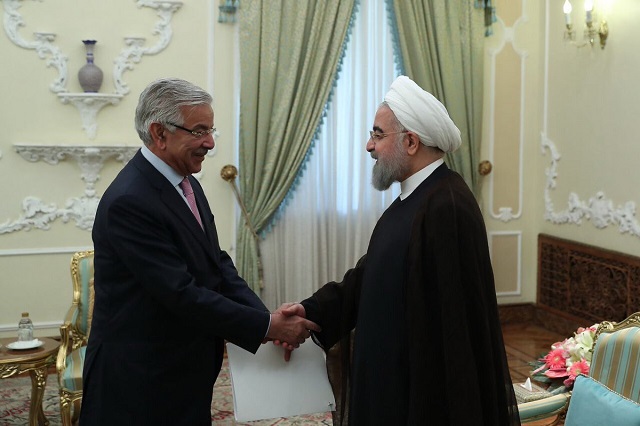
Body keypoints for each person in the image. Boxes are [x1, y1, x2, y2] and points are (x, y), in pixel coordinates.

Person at [279, 76, 520, 425]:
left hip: (420, 398)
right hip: (390, 384)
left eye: (378, 134)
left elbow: (453, 332)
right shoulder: (412, 200)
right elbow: (371, 276)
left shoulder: (446, 206)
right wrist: (312, 310)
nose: (368, 146)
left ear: (410, 141)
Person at [80, 77, 319, 426]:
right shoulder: (130, 201)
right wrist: (268, 327)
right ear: (159, 133)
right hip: (139, 380)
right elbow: (181, 294)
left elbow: (215, 263)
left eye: (210, 130)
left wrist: (263, 316)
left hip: (182, 371)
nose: (209, 142)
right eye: (199, 131)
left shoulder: (185, 181)